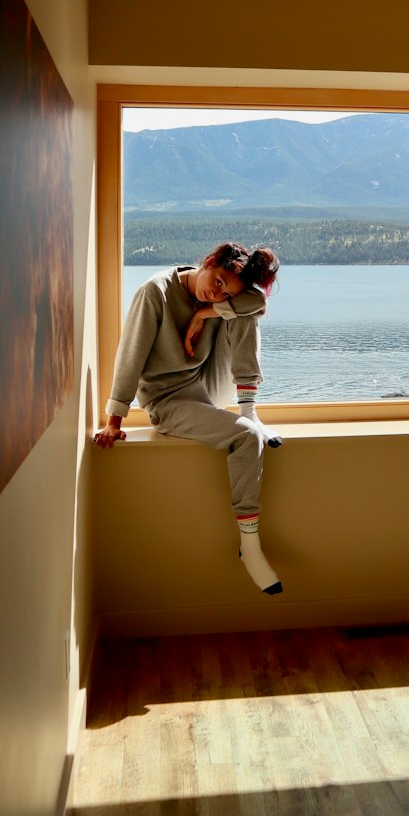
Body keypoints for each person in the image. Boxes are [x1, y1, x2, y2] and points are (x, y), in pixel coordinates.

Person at [94, 242, 284, 594]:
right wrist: (114, 420)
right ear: (210, 261)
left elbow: (257, 302)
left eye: (227, 290)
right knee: (246, 437)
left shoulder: (216, 299)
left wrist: (205, 314)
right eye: (219, 279)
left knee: (243, 313)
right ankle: (251, 546)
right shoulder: (156, 291)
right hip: (167, 399)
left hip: (204, 382)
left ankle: (249, 409)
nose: (217, 291)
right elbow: (129, 356)